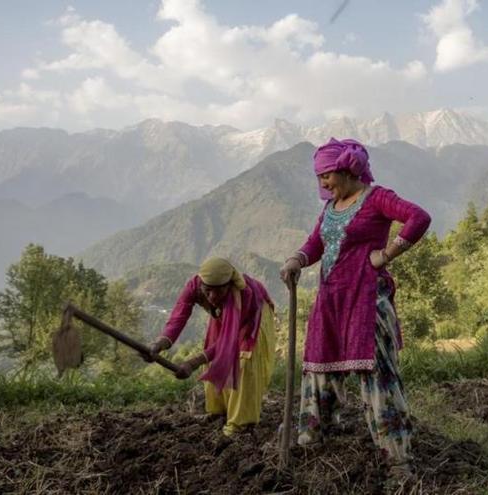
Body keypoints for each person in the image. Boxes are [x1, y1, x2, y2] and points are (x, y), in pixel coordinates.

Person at [280, 138, 431, 479]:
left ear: (348, 170)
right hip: (330, 299)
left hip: (365, 302)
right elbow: (317, 242)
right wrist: (296, 260)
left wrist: (386, 255)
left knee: (377, 376)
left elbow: (418, 218)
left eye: (327, 175)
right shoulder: (331, 208)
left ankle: (396, 458)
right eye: (319, 177)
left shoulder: (377, 198)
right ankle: (314, 436)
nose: (322, 183)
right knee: (319, 366)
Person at [149, 257, 276, 437]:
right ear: (200, 284)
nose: (212, 297)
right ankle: (219, 411)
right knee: (212, 354)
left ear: (229, 285)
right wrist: (159, 345)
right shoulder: (194, 286)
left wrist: (192, 363)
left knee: (244, 361)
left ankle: (240, 424)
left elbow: (227, 343)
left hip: (253, 315)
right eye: (207, 291)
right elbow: (178, 317)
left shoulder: (242, 295)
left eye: (219, 291)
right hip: (223, 314)